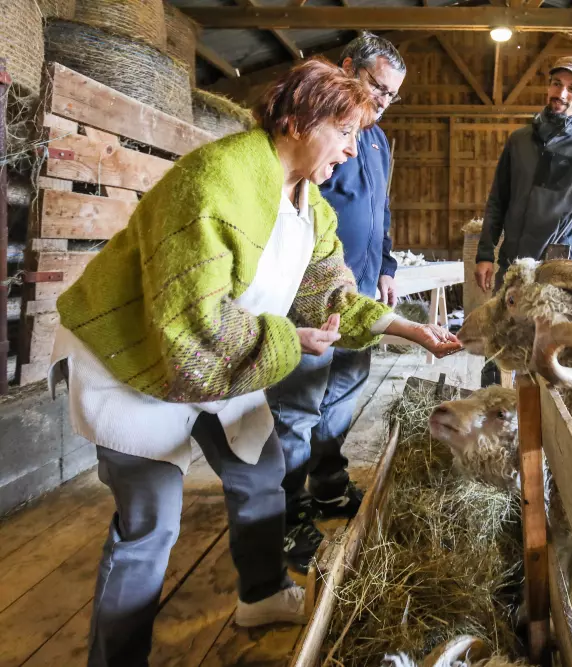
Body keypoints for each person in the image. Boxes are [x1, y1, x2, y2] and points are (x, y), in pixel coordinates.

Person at [47, 58, 461, 667]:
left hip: (222, 354)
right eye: (345, 133)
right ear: (297, 121)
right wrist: (291, 340)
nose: (353, 150)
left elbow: (331, 295)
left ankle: (262, 595)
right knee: (151, 524)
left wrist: (408, 330)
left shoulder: (311, 205)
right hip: (135, 360)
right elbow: (191, 325)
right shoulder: (215, 181)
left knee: (260, 474)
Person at [266, 32, 409, 573]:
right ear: (348, 67)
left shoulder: (377, 141)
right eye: (378, 86)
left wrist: (387, 265)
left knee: (344, 392)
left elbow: (381, 210)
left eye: (392, 94)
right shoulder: (322, 128)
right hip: (313, 289)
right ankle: (287, 510)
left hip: (363, 286)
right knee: (299, 401)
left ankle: (327, 484)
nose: (383, 101)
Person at [474, 55, 572, 386]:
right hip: (512, 264)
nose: (561, 93)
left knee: (544, 353)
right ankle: (494, 406)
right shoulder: (519, 140)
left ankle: (539, 414)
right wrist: (485, 254)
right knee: (499, 343)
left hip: (556, 269)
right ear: (548, 85)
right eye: (557, 84)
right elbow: (497, 201)